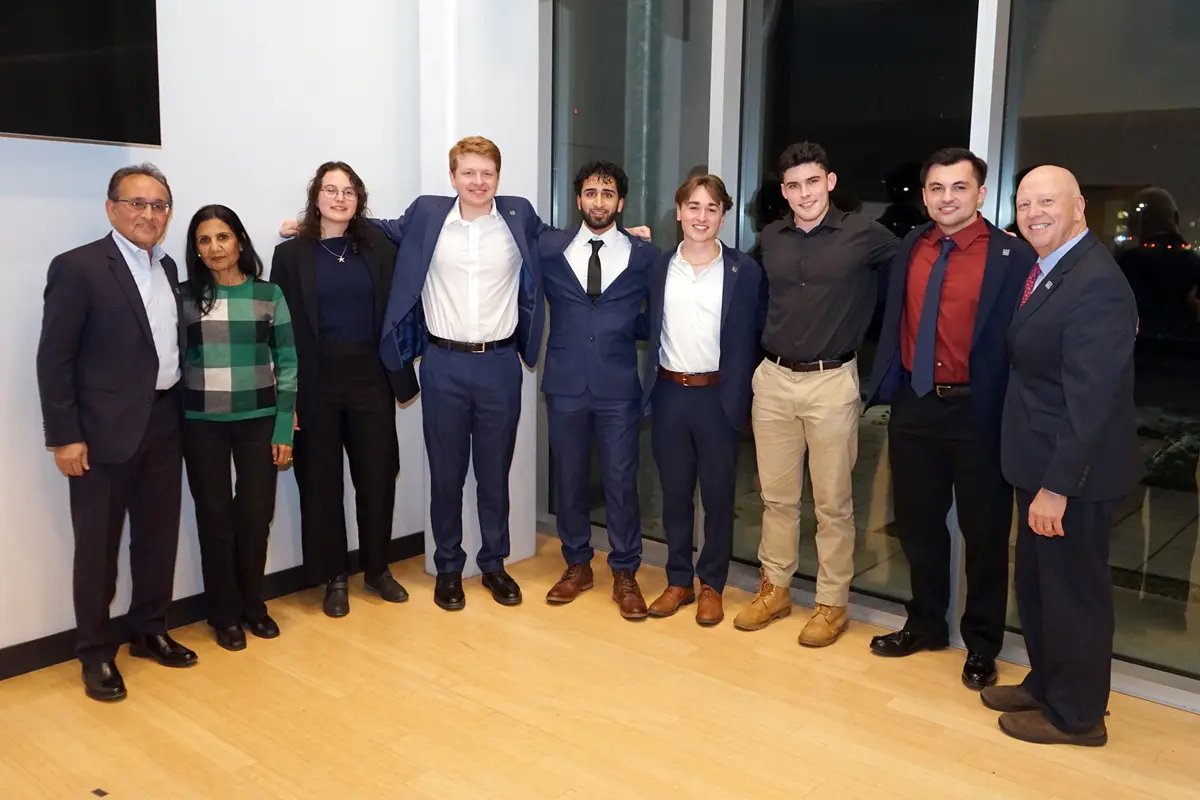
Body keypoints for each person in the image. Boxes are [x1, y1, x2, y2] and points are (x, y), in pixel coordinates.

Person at [863, 148, 1036, 689]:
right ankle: (925, 624)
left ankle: (982, 643)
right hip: (915, 406)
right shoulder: (911, 245)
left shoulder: (1014, 257)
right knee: (917, 526)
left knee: (985, 534)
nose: (946, 198)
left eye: (959, 187)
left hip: (979, 412)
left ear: (982, 194)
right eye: (936, 188)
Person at [982, 165, 1141, 746]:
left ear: (1078, 207)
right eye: (1024, 204)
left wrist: (1057, 486)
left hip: (1072, 475)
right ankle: (1047, 684)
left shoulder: (1095, 282)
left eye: (1047, 202)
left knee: (1073, 596)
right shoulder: (1051, 270)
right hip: (1040, 463)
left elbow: (1090, 403)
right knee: (1042, 588)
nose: (1033, 213)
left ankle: (1077, 717)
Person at [36, 163, 197, 702]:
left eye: (158, 206)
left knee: (157, 535)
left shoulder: (168, 267)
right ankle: (95, 652)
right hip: (100, 432)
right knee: (98, 548)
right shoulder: (78, 267)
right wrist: (64, 435)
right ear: (112, 208)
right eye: (137, 203)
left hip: (163, 419)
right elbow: (54, 359)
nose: (148, 214)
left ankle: (149, 629)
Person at [735, 142, 898, 647]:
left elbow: (922, 258)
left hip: (831, 383)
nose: (803, 193)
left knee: (832, 503)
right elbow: (737, 281)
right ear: (783, 192)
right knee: (777, 498)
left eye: (812, 181)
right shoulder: (771, 238)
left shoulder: (865, 235)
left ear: (829, 181)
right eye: (793, 185)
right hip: (775, 381)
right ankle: (775, 589)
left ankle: (831, 604)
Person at [375, 136, 547, 611]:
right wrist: (317, 226)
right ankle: (448, 567)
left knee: (494, 474)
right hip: (442, 364)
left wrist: (618, 236)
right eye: (468, 173)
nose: (478, 181)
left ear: (498, 177)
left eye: (486, 173)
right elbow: (377, 229)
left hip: (500, 365)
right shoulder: (428, 215)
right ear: (452, 177)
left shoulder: (517, 216)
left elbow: (557, 239)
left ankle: (494, 564)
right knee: (446, 475)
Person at [271, 162, 414, 618]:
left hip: (370, 378)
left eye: (348, 191)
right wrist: (285, 398)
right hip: (316, 384)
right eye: (330, 190)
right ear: (315, 197)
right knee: (320, 483)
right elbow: (280, 329)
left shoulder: (378, 248)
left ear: (359, 200)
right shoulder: (291, 255)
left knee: (376, 476)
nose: (339, 198)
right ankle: (334, 577)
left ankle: (377, 569)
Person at [641, 175, 764, 626]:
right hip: (670, 393)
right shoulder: (656, 267)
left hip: (719, 398)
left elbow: (758, 333)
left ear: (723, 216)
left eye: (712, 208)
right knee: (674, 495)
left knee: (717, 496)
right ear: (678, 212)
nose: (701, 217)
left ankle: (711, 583)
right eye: (693, 207)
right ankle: (678, 581)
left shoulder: (744, 271)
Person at [539, 161, 660, 619]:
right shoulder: (550, 247)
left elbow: (659, 311)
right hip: (566, 382)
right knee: (569, 477)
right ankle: (576, 565)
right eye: (591, 192)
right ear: (578, 200)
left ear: (621, 203)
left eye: (608, 194)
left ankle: (625, 571)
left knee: (620, 480)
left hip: (617, 386)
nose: (598, 201)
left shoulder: (645, 254)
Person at [180, 205, 298, 651]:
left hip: (259, 421)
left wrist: (284, 425)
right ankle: (224, 615)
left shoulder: (269, 294)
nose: (215, 248)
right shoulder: (184, 296)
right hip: (201, 424)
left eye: (223, 237)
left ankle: (254, 606)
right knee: (215, 521)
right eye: (204, 241)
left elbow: (287, 362)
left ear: (240, 242)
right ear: (196, 249)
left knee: (255, 517)